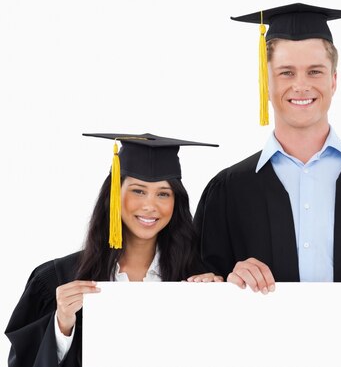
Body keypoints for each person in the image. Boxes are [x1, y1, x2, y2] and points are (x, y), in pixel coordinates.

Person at [194, 3, 341, 295]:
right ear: (265, 83)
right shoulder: (227, 192)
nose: (301, 85)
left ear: (334, 81)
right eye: (286, 73)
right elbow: (200, 287)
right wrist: (228, 281)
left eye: (315, 72)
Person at [5, 133, 220, 367]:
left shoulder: (195, 280)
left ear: (175, 201)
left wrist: (217, 304)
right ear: (115, 194)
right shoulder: (59, 278)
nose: (150, 205)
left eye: (163, 193)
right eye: (138, 190)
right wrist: (62, 325)